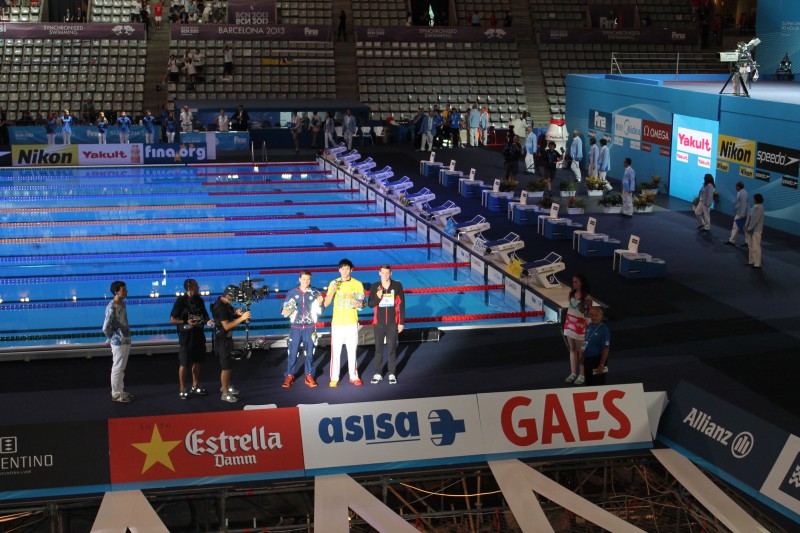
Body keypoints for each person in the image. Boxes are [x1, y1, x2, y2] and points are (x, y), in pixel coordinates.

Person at [323, 258, 366, 388]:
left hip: (351, 322)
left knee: (352, 351)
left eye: (347, 269)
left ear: (351, 270)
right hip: (337, 323)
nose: (345, 271)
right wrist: (333, 290)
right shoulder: (333, 283)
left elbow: (362, 304)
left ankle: (354, 376)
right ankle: (334, 378)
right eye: (342, 269)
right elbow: (326, 303)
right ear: (339, 270)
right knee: (335, 352)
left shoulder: (357, 284)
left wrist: (358, 304)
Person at [170, 279, 214, 400]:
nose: (199, 287)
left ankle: (195, 385)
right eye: (196, 285)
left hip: (198, 334)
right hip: (186, 336)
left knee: (197, 361)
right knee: (184, 363)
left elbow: (205, 315)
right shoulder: (181, 301)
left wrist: (208, 321)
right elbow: (172, 320)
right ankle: (182, 388)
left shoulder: (199, 300)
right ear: (189, 288)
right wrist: (186, 321)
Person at [281, 270, 324, 389]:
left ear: (310, 280)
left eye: (308, 279)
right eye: (304, 279)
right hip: (296, 327)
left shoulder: (315, 292)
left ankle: (309, 375)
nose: (306, 281)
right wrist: (285, 311)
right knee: (292, 352)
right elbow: (284, 309)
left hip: (310, 327)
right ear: (299, 279)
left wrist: (321, 303)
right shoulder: (292, 292)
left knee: (310, 352)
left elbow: (321, 310)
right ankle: (289, 375)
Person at [212, 285, 252, 402]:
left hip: (227, 339)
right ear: (227, 295)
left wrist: (237, 312)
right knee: (226, 367)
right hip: (222, 340)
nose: (235, 300)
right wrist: (242, 318)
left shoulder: (225, 304)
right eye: (234, 297)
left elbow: (231, 311)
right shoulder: (221, 307)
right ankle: (225, 393)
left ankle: (227, 386)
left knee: (229, 365)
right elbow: (226, 326)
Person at [367, 265, 405, 385]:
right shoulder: (375, 286)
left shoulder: (397, 285)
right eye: (383, 273)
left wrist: (401, 322)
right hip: (379, 323)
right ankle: (378, 373)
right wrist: (378, 298)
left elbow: (402, 305)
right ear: (379, 273)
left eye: (387, 273)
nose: (385, 275)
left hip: (393, 323)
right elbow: (370, 304)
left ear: (391, 273)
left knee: (392, 348)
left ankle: (392, 373)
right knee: (378, 349)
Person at [103, 280, 134, 403]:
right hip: (118, 342)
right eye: (123, 290)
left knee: (121, 368)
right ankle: (116, 394)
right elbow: (105, 328)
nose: (126, 291)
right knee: (117, 368)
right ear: (116, 292)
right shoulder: (112, 308)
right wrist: (112, 337)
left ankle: (120, 391)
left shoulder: (122, 304)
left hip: (125, 340)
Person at [564, 274, 592, 386]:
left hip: (580, 328)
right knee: (572, 349)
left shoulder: (587, 298)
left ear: (582, 283)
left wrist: (589, 329)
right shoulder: (571, 294)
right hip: (569, 325)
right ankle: (573, 373)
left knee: (581, 352)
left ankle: (582, 374)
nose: (573, 284)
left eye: (576, 282)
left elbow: (588, 315)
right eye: (573, 281)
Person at [580, 306, 610, 386]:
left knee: (597, 383)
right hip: (587, 359)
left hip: (597, 360)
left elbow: (606, 349)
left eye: (596, 315)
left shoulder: (604, 330)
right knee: (588, 382)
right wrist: (582, 354)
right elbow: (586, 340)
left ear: (601, 316)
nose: (593, 317)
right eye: (592, 315)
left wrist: (602, 365)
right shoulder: (589, 326)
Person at [726, 181, 749, 246]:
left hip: (742, 214)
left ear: (738, 186)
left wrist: (742, 215)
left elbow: (744, 204)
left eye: (736, 186)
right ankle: (747, 242)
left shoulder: (744, 193)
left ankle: (732, 241)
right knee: (744, 228)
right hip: (741, 213)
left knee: (736, 227)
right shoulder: (740, 192)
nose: (735, 187)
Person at [745, 193, 764, 269]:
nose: (753, 200)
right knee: (750, 245)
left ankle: (757, 263)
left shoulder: (760, 208)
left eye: (754, 198)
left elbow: (755, 220)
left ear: (756, 199)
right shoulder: (754, 206)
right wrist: (746, 225)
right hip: (750, 229)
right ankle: (751, 261)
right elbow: (749, 216)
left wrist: (749, 228)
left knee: (756, 246)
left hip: (756, 230)